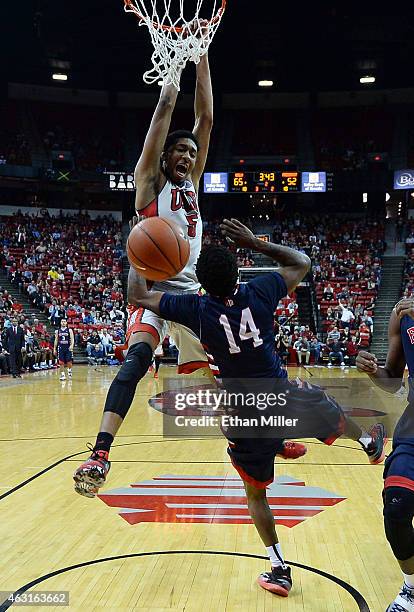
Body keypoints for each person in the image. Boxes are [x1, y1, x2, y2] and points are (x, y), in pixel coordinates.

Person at [125, 218, 386, 599]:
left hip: (242, 413)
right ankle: (367, 444)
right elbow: (301, 262)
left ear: (202, 282)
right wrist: (257, 243)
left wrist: (139, 256)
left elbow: (140, 298)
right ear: (238, 272)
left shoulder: (195, 308)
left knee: (255, 493)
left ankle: (279, 568)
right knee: (329, 409)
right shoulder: (260, 290)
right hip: (281, 396)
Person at [74, 48, 214, 497]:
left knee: (230, 368)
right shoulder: (149, 183)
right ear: (166, 154)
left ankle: (266, 440)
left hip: (191, 291)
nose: (188, 156)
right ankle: (100, 452)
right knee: (135, 361)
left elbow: (206, 119)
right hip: (152, 292)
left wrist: (203, 54)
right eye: (180, 149)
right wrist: (171, 84)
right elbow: (161, 121)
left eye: (192, 152)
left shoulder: (191, 186)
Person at [356, 297, 414, 612]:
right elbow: (393, 380)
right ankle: (412, 589)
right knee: (396, 506)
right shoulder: (403, 313)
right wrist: (375, 371)